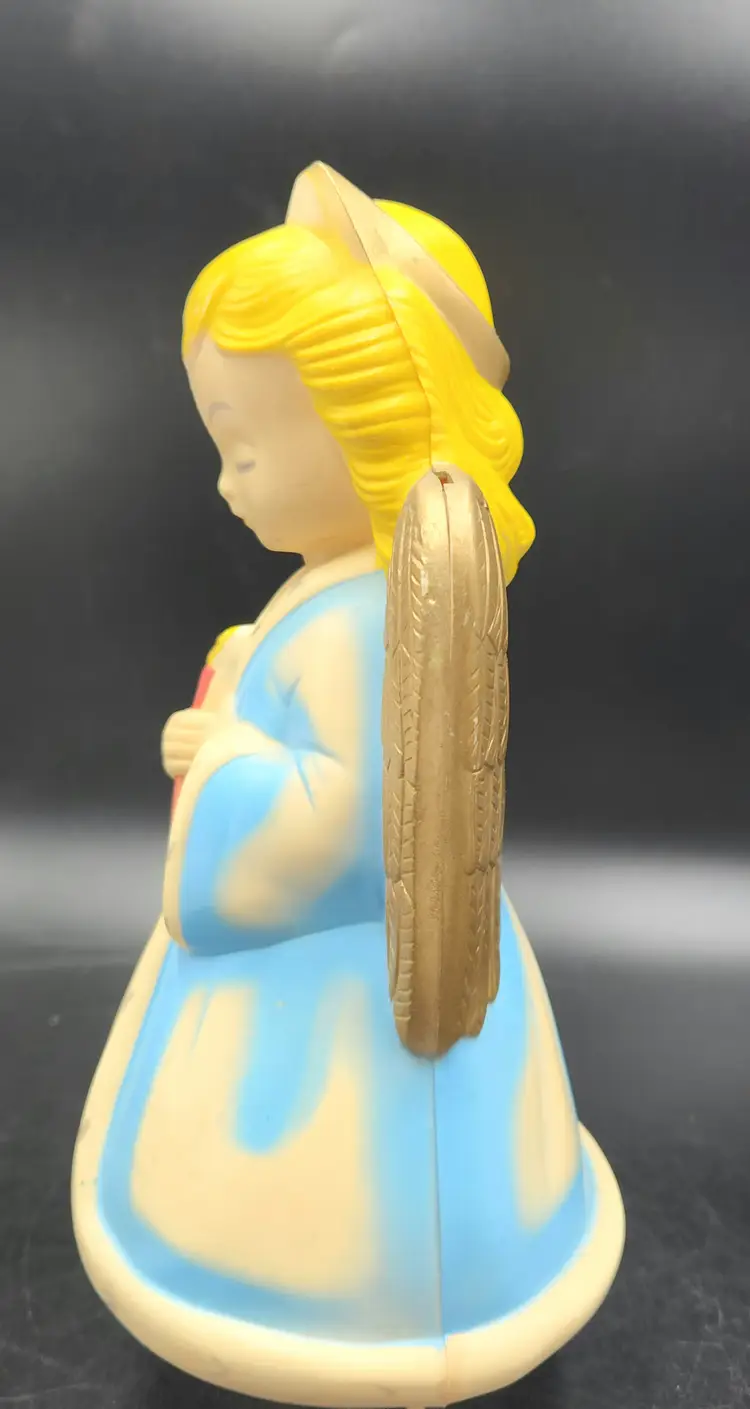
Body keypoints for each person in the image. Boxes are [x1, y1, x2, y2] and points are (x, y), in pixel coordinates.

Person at [72, 163, 623, 1405]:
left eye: (244, 449)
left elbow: (343, 827)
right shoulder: (353, 601)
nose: (225, 483)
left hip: (336, 995)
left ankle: (333, 1295)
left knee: (362, 1167)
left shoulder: (367, 619)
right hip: (333, 961)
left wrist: (224, 760)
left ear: (362, 432)